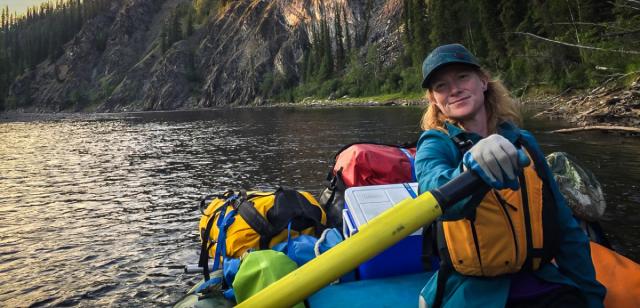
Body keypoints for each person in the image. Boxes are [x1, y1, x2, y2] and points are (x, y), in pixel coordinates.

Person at [414, 43, 606, 307]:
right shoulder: (435, 143)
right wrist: (470, 168)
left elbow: (564, 227)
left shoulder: (523, 141)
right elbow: (429, 192)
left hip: (538, 280)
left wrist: (591, 296)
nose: (454, 90)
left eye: (462, 77)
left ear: (483, 82)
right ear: (434, 100)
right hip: (473, 290)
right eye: (441, 86)